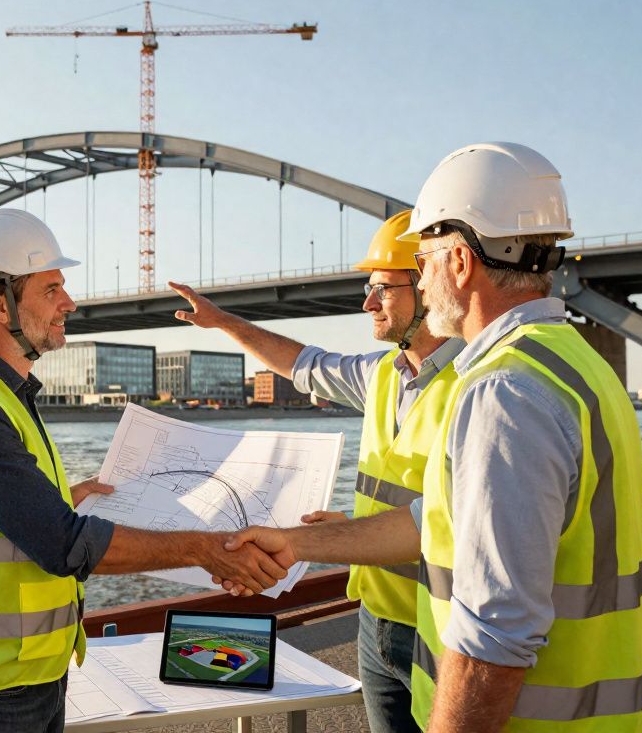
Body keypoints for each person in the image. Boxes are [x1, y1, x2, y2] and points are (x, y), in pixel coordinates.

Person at [225, 143, 642, 731]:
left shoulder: (504, 393)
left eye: (423, 260)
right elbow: (444, 519)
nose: (422, 283)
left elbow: (495, 635)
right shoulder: (574, 364)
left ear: (459, 262)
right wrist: (298, 544)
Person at [0, 207, 288, 733]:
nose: (70, 302)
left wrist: (62, 496)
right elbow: (65, 546)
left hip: (29, 673)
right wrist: (203, 548)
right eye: (50, 289)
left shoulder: (3, 396)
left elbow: (0, 521)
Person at [169, 209, 462, 733]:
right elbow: (303, 362)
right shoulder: (382, 376)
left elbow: (443, 520)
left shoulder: (477, 385)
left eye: (383, 289)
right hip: (376, 620)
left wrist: (301, 543)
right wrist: (224, 322)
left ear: (429, 285)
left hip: (441, 625)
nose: (367, 302)